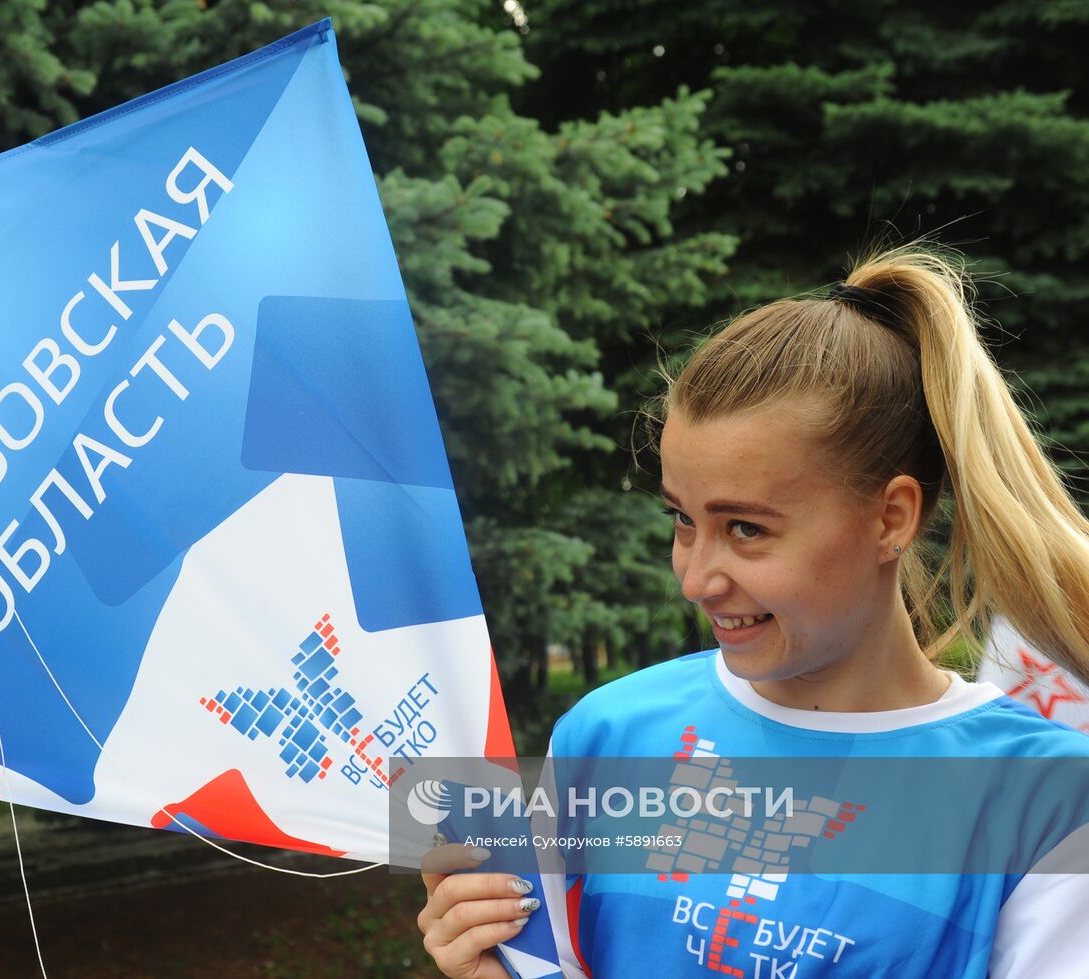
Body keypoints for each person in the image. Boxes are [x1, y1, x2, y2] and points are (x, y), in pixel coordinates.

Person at [416, 243, 1089, 978]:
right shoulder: (611, 732)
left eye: (746, 528)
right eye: (682, 519)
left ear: (891, 517)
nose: (696, 578)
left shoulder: (1044, 802)